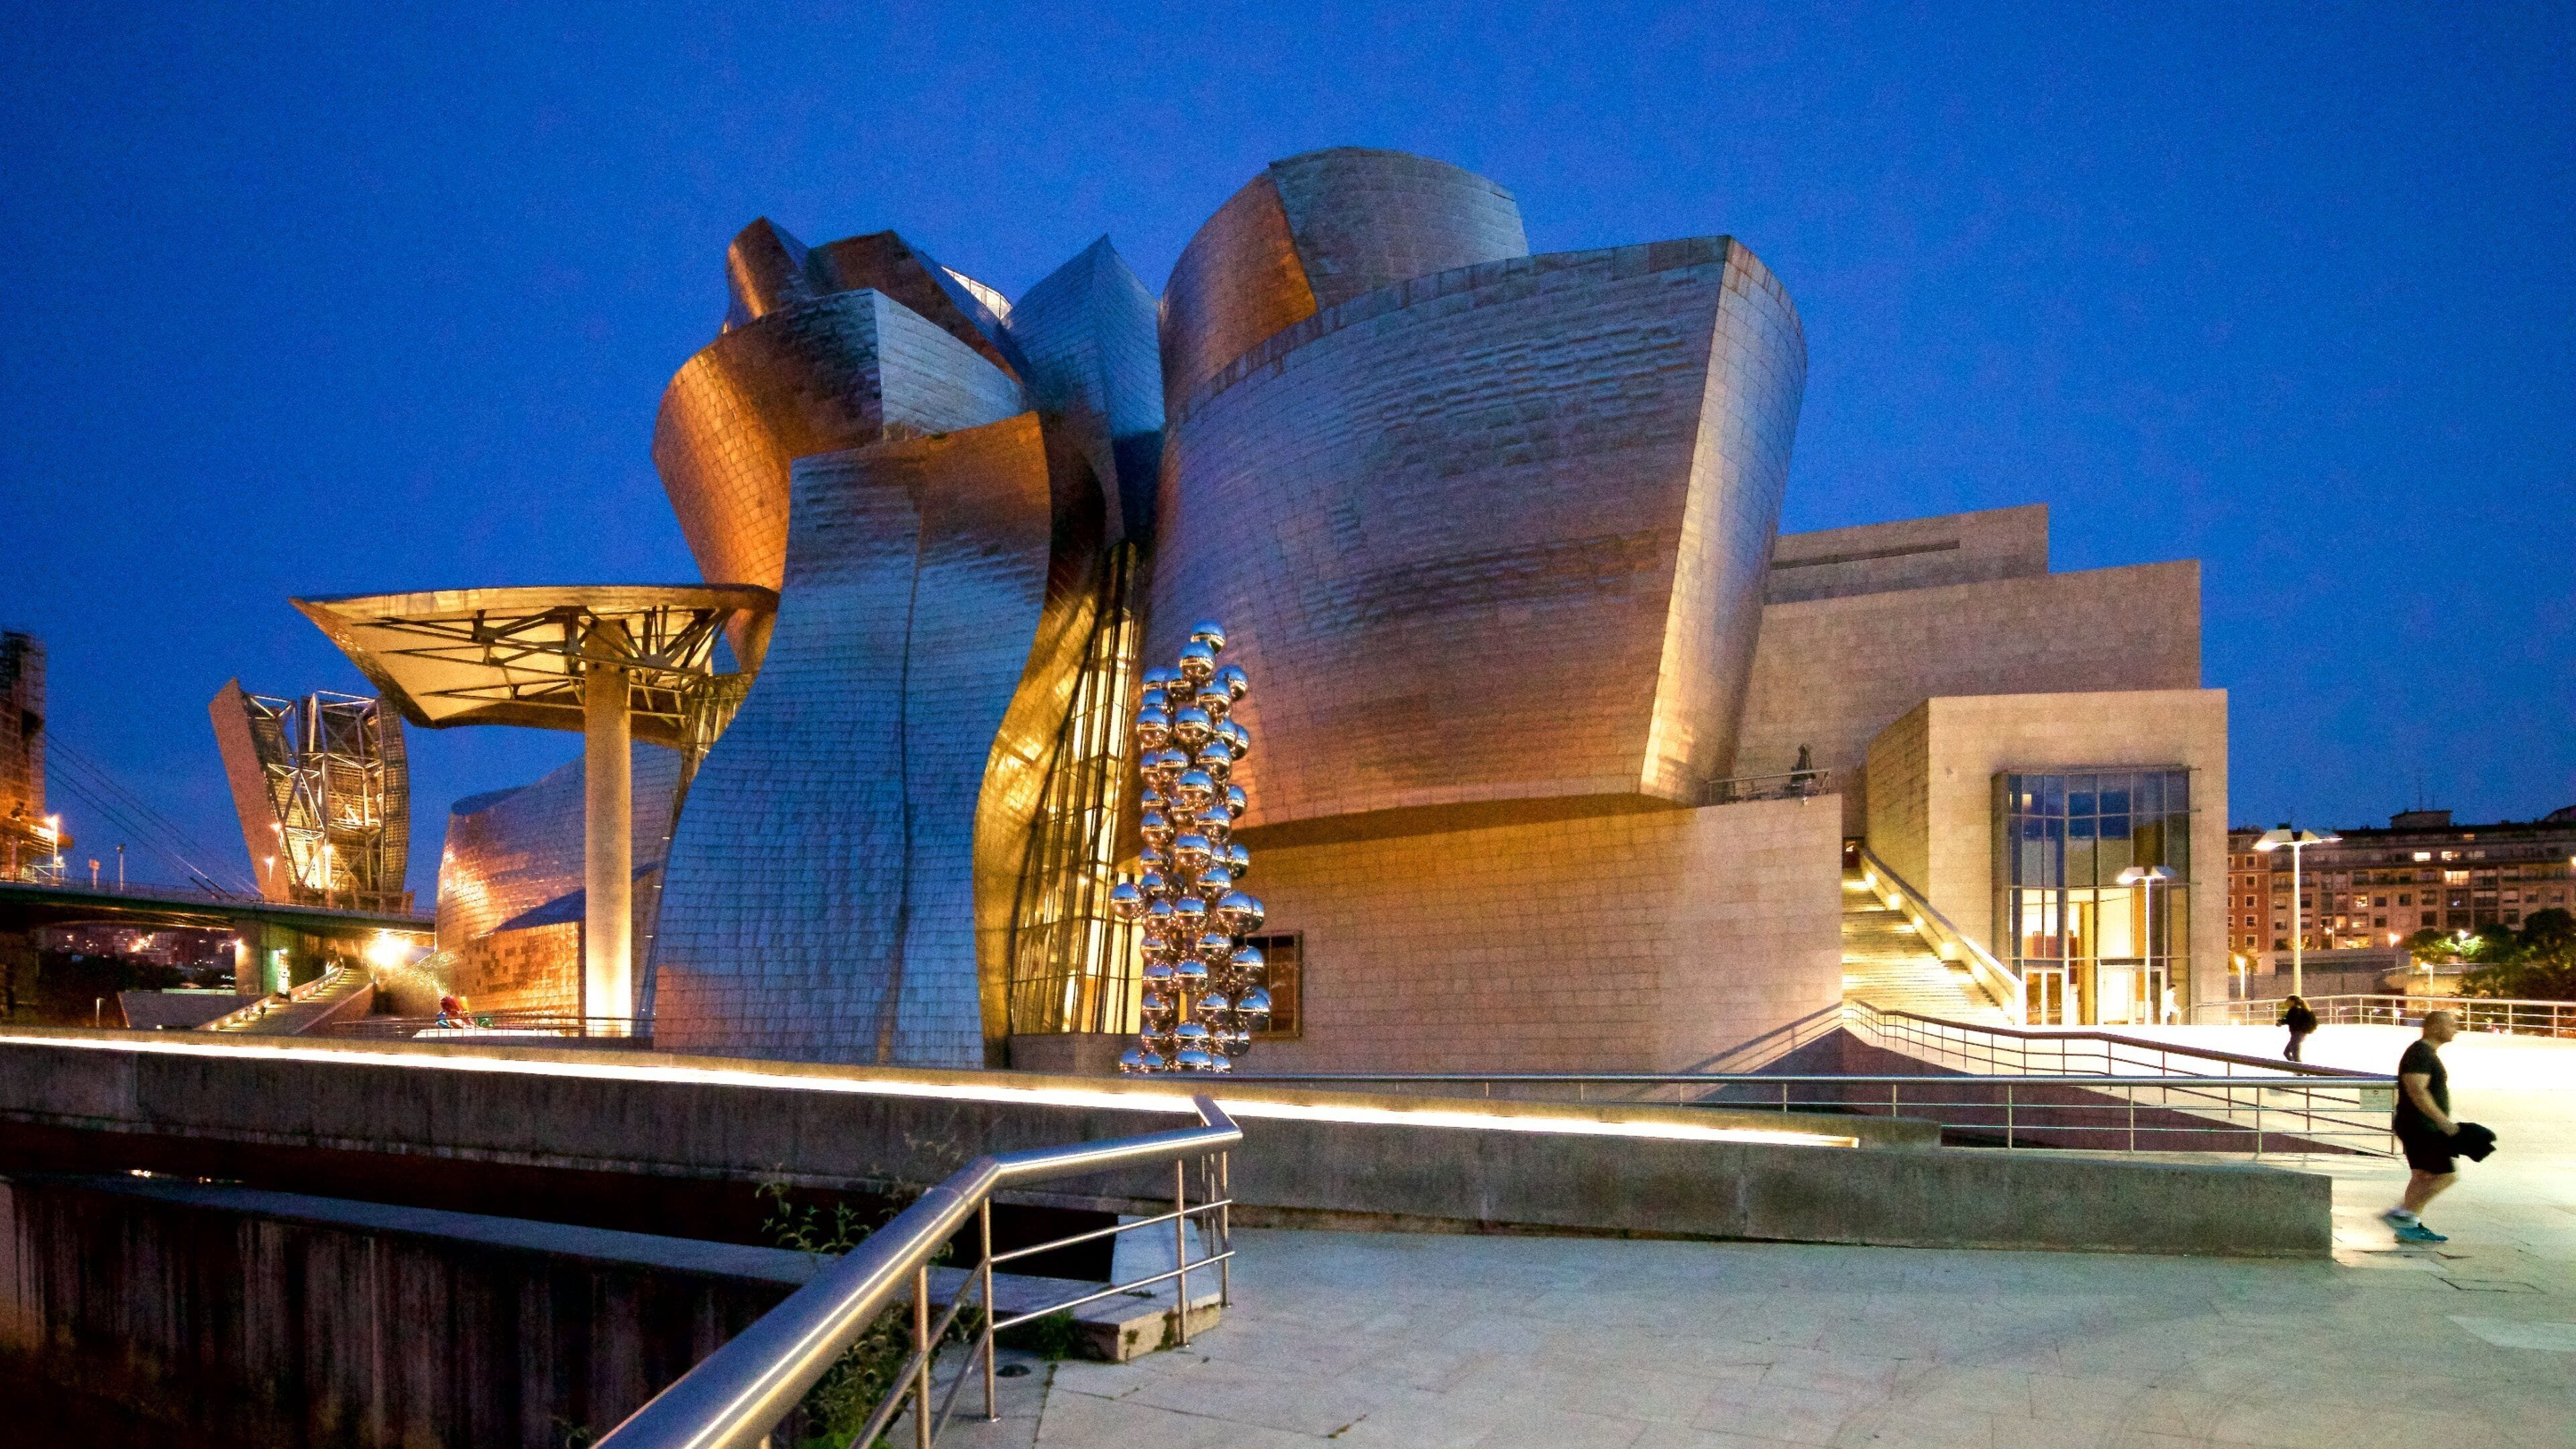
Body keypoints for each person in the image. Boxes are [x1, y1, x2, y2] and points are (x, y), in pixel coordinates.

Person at [2383, 1009, 2461, 1244]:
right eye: (2452, 1025)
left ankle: (2410, 1226)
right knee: (2447, 1175)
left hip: (2418, 1124)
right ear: (2435, 1027)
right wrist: (2442, 1121)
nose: (2455, 1029)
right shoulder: (2420, 1054)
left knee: (2422, 1176)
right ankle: (2402, 1215)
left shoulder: (2425, 1053)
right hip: (2421, 1126)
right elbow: (2417, 1089)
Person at [2278, 994, 2318, 1061]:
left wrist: (2281, 1022)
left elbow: (2291, 1020)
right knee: (2286, 1053)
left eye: (2288, 1000)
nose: (2286, 1002)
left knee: (2296, 1057)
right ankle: (2295, 1069)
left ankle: (2299, 1070)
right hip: (2300, 1035)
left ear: (2293, 1001)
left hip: (2297, 1035)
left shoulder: (2294, 1010)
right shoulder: (2299, 1009)